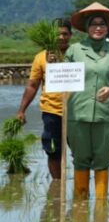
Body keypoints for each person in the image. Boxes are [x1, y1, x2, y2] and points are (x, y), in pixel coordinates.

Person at [65, 2, 109, 198]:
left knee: (102, 159)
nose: (98, 28)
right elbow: (63, 78)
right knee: (80, 159)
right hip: (78, 113)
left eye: (102, 24)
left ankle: (101, 211)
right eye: (94, 24)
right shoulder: (74, 50)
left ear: (108, 27)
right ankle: (80, 206)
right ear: (86, 27)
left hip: (104, 114)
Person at [15, 17, 73, 179]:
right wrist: (21, 110)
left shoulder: (78, 53)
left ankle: (80, 188)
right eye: (57, 34)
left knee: (81, 152)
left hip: (76, 111)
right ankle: (56, 186)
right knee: (53, 150)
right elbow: (33, 85)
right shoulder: (41, 57)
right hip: (51, 111)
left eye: (65, 34)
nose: (61, 37)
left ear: (71, 35)